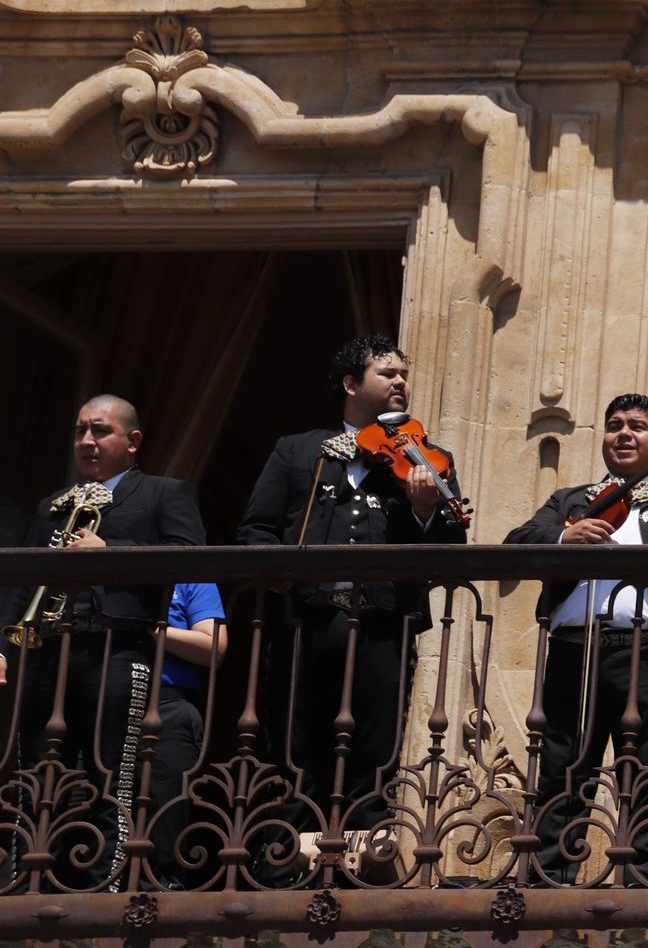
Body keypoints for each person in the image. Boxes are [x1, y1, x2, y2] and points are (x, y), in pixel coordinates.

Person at [238, 336, 466, 880]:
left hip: (385, 620)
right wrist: (284, 575)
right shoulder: (297, 450)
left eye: (404, 374)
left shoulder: (425, 457)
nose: (400, 383)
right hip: (306, 619)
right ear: (350, 384)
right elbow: (256, 530)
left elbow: (451, 548)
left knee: (375, 743)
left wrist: (423, 510)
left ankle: (367, 862)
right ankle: (287, 857)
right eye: (387, 373)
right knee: (297, 739)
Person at [504, 393, 648, 886]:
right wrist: (564, 538)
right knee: (563, 764)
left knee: (647, 768)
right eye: (615, 425)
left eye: (638, 426)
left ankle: (642, 877)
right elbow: (516, 544)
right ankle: (549, 878)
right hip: (573, 649)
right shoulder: (573, 501)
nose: (624, 433)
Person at [3, 394, 204, 890]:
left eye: (100, 431)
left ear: (132, 442)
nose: (87, 442)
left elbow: (190, 555)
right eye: (79, 432)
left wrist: (109, 551)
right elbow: (24, 582)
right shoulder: (54, 504)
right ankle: (28, 882)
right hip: (48, 649)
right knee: (37, 774)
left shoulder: (163, 493)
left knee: (109, 773)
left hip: (117, 649)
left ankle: (101, 888)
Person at [146, 581, 228, 890]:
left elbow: (214, 647)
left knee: (164, 817)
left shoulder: (193, 579)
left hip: (169, 699)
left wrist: (153, 631)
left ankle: (162, 893)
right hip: (106, 693)